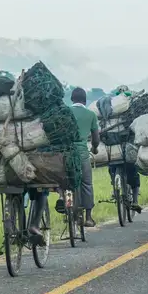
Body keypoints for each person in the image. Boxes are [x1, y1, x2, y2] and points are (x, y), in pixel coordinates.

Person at [53, 87, 100, 228]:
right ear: (84, 101)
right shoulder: (91, 115)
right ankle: (88, 217)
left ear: (72, 99)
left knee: (67, 183)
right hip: (82, 154)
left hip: (65, 153)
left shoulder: (64, 112)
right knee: (86, 183)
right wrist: (95, 148)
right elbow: (96, 138)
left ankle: (69, 212)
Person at [106, 85, 142, 213]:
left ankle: (114, 188)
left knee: (111, 167)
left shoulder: (111, 112)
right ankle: (136, 200)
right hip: (126, 150)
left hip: (114, 149)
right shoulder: (130, 110)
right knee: (133, 175)